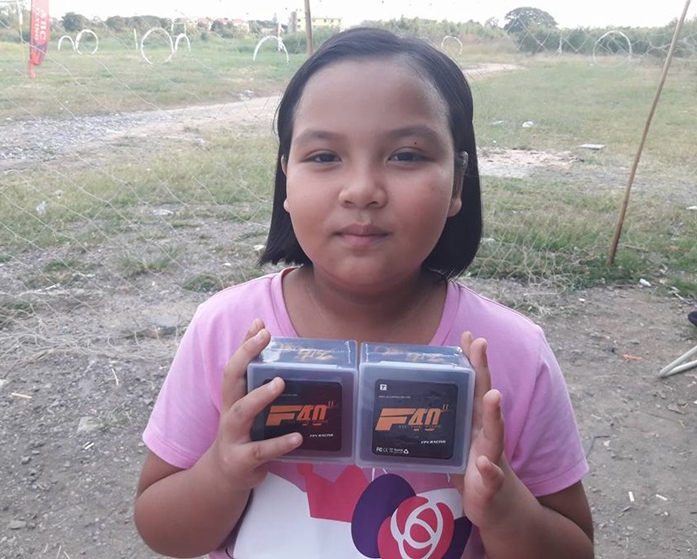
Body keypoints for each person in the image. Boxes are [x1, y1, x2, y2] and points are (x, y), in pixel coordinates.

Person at [135, 27, 594, 559]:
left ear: (457, 183)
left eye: (406, 155)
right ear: (286, 180)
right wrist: (221, 471)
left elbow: (575, 547)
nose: (361, 191)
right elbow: (162, 530)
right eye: (324, 156)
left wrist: (502, 504)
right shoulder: (226, 331)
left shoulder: (512, 353)